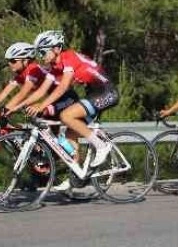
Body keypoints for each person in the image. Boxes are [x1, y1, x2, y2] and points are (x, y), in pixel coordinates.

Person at [21, 30, 119, 189]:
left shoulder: (69, 57)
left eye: (43, 51)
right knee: (68, 137)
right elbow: (40, 91)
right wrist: (20, 106)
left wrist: (41, 105)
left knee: (66, 116)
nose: (40, 56)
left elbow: (63, 87)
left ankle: (101, 146)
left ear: (56, 49)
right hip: (94, 93)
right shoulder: (55, 67)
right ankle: (78, 175)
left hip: (106, 91)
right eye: (39, 53)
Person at [0, 42, 76, 123]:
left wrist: (3, 112)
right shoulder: (20, 75)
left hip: (66, 98)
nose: (10, 64)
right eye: (9, 61)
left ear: (25, 60)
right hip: (53, 100)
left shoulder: (33, 70)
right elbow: (2, 95)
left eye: (13, 61)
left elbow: (22, 94)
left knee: (37, 117)